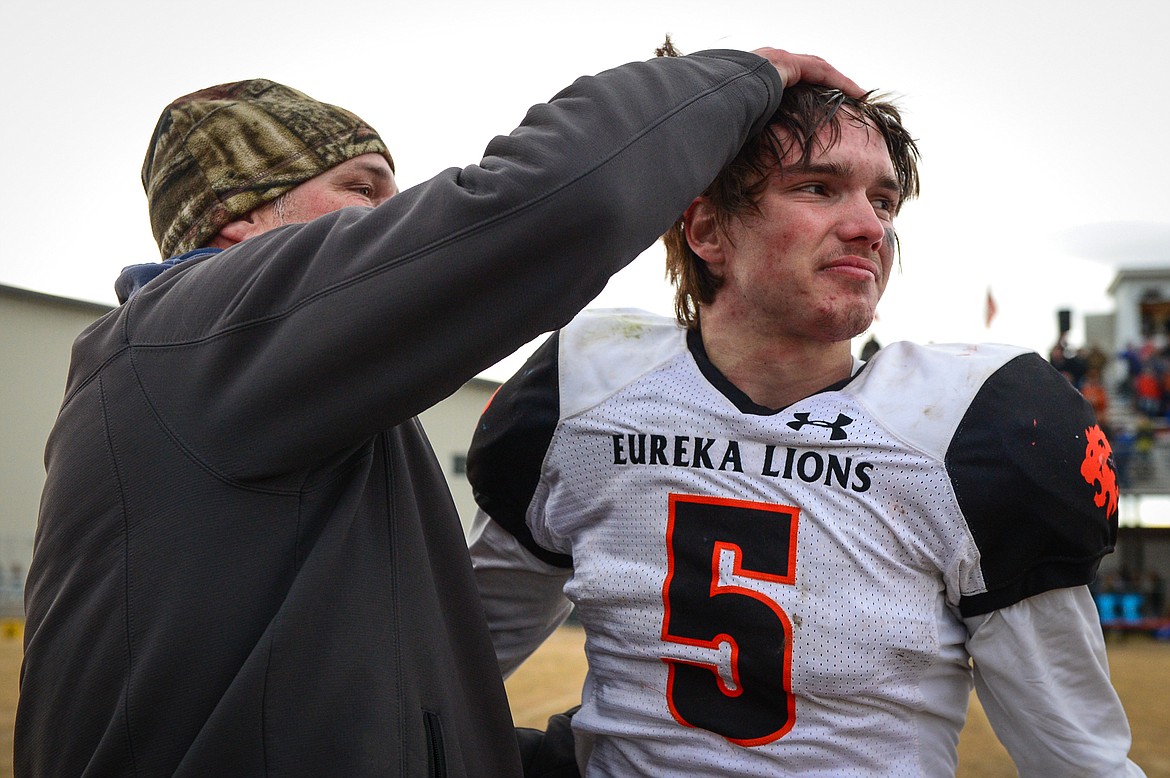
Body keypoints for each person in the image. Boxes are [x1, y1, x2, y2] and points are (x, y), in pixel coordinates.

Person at [15, 50, 866, 777]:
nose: (398, 215)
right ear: (240, 223)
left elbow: (341, 709)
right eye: (364, 188)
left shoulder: (260, 389)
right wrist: (743, 76)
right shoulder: (199, 333)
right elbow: (547, 207)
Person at [466, 79, 1146, 775]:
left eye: (883, 201)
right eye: (819, 188)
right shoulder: (586, 393)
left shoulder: (968, 428)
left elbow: (1079, 760)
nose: (870, 227)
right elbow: (448, 664)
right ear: (706, 230)